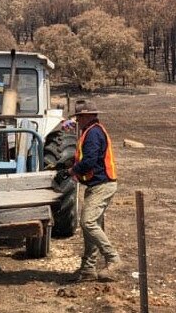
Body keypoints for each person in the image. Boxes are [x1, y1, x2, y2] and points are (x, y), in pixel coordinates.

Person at [58, 99, 121, 282]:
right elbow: (87, 159)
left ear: (86, 116)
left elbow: (90, 162)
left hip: (102, 185)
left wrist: (70, 172)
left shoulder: (93, 134)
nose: (77, 121)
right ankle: (88, 270)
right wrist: (70, 165)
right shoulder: (91, 131)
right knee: (92, 227)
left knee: (88, 223)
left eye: (79, 117)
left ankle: (113, 258)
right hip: (97, 184)